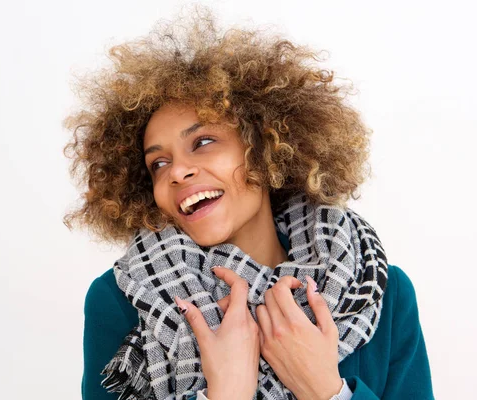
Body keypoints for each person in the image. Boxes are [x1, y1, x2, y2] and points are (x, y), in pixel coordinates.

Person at [63, 7, 434, 400]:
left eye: (202, 142)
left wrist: (326, 389)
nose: (177, 172)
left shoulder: (379, 290)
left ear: (264, 149)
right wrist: (225, 392)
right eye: (159, 163)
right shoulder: (121, 300)